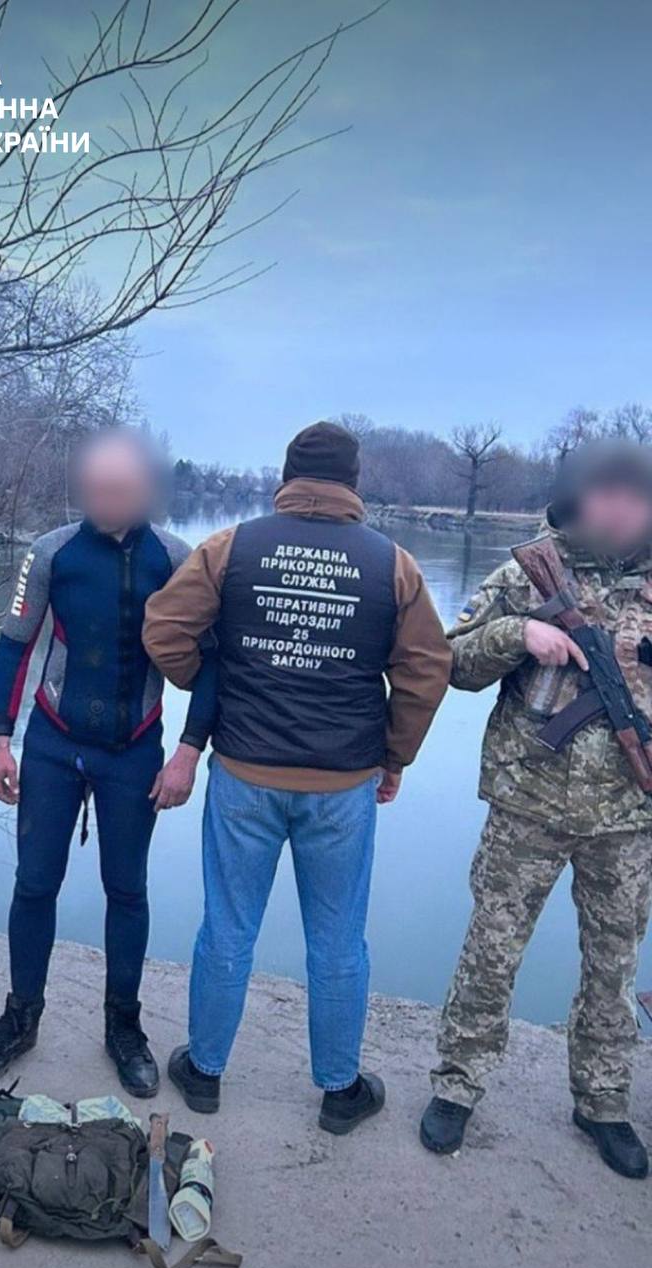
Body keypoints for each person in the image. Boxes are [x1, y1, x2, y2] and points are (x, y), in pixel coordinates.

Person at [144, 420, 451, 1127]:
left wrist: (218, 687)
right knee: (338, 941)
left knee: (227, 929)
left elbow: (164, 630)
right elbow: (427, 670)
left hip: (244, 774)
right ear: (354, 482)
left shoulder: (231, 547)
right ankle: (340, 1091)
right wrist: (395, 754)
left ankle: (204, 1072)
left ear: (287, 477)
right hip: (343, 784)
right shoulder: (393, 564)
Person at [421, 439, 652, 1179]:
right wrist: (518, 634)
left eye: (636, 495)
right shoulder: (529, 572)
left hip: (629, 818)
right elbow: (449, 660)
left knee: (614, 966)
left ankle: (603, 1101)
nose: (620, 508)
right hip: (527, 802)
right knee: (492, 951)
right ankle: (458, 1084)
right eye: (607, 493)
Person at [0, 430, 214, 1098]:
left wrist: (189, 753)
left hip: (135, 749)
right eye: (95, 489)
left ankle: (123, 1026)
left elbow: (214, 662)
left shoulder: (178, 559)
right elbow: (13, 647)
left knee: (126, 889)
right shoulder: (50, 552)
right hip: (54, 743)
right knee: (34, 884)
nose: (104, 501)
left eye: (118, 490)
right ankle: (20, 1017)